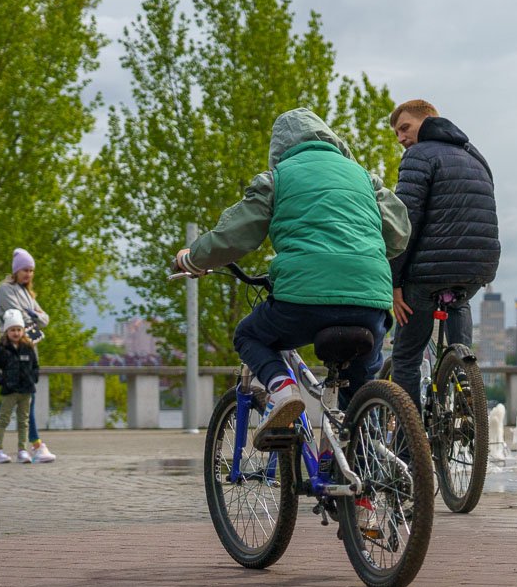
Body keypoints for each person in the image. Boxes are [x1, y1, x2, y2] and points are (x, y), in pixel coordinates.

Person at [174, 107, 411, 438]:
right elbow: (399, 232)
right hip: (369, 303)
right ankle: (368, 467)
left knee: (249, 335)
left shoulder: (278, 178)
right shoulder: (364, 178)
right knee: (361, 389)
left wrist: (192, 259)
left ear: (279, 148)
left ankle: (281, 387)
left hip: (303, 302)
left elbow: (234, 236)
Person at [387, 99, 500, 409]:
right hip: (477, 267)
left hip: (428, 273)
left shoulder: (418, 155)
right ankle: (465, 383)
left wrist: (394, 281)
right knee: (458, 300)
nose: (401, 138)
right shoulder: (475, 155)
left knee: (406, 356)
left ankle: (408, 446)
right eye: (397, 133)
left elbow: (404, 220)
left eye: (405, 128)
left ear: (428, 120)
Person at [0, 248, 57, 462]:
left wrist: (35, 317)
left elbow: (45, 318)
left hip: (28, 351)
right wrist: (35, 319)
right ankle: (36, 445)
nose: (28, 274)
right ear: (16, 270)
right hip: (11, 351)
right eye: (25, 270)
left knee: (12, 401)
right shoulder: (6, 289)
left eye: (31, 270)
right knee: (22, 399)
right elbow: (17, 319)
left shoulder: (27, 293)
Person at [0, 309, 42, 463]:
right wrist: (2, 381)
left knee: (24, 421)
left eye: (18, 329)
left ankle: (22, 451)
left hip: (26, 390)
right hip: (9, 391)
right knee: (3, 420)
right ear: (6, 332)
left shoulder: (28, 347)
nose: (16, 333)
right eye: (12, 330)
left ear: (23, 330)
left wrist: (33, 378)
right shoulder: (1, 349)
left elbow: (35, 366)